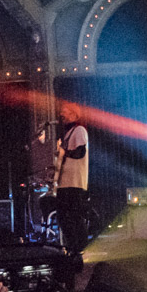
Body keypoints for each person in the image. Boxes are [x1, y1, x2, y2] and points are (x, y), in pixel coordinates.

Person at [55, 102, 89, 256]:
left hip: (74, 182)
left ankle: (80, 248)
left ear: (74, 114)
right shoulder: (68, 133)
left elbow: (80, 152)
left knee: (74, 216)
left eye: (65, 111)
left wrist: (63, 152)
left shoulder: (79, 130)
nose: (61, 114)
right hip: (65, 182)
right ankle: (73, 248)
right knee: (63, 216)